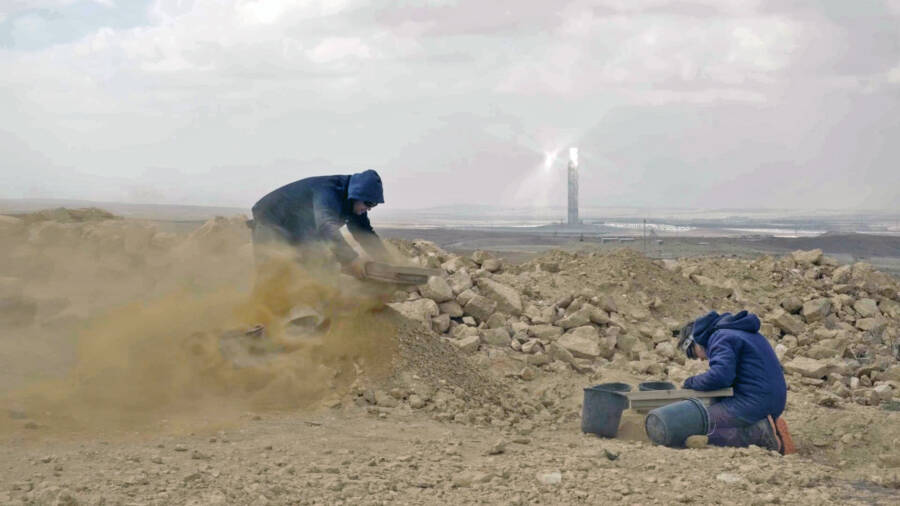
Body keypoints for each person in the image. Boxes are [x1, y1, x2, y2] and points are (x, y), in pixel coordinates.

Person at [677, 310, 795, 454]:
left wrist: (691, 382)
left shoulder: (719, 337)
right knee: (714, 413)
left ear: (696, 341)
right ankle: (769, 424)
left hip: (755, 402)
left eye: (694, 354)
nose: (701, 359)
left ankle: (761, 433)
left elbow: (720, 376)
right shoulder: (739, 331)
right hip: (773, 399)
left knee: (697, 424)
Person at [249, 170, 389, 279]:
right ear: (357, 194)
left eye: (374, 204)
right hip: (270, 220)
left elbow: (365, 234)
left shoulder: (355, 204)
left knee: (321, 268)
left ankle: (313, 310)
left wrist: (387, 261)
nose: (369, 208)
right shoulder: (328, 191)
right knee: (272, 274)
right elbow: (326, 226)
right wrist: (351, 259)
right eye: (368, 203)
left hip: (300, 229)